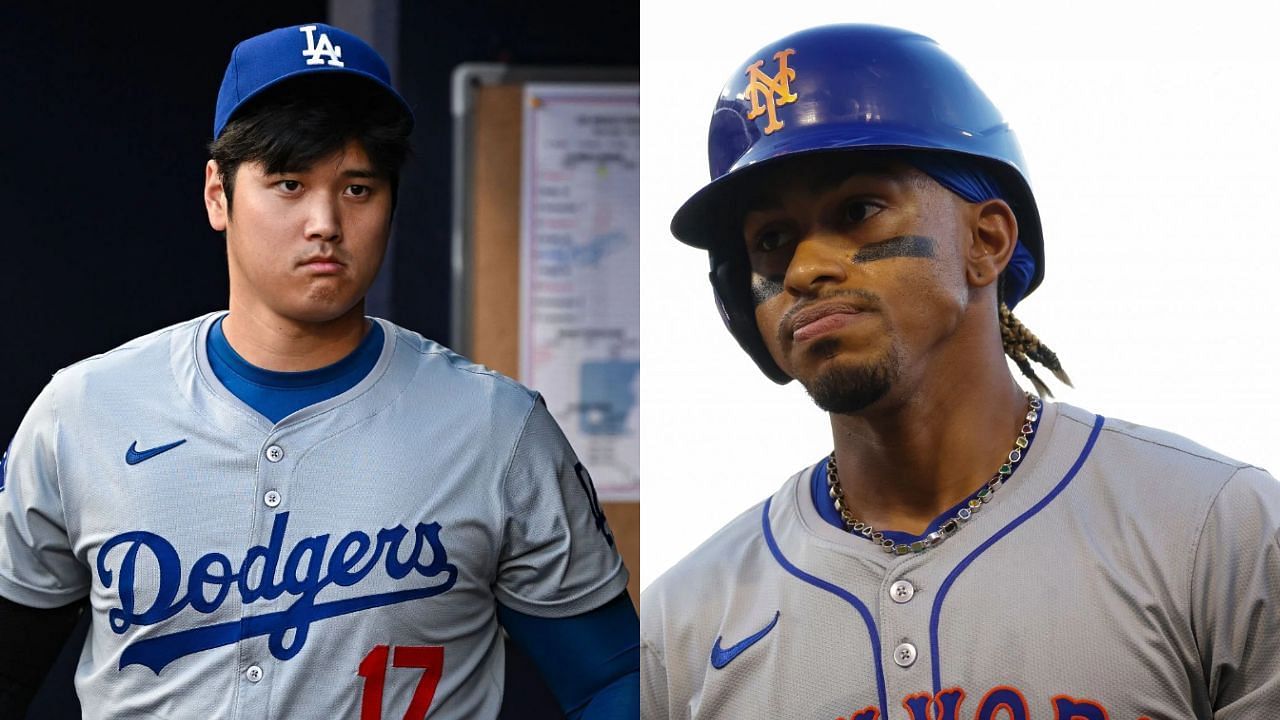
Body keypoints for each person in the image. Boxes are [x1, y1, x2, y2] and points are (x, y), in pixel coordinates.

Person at [640, 23, 1280, 719]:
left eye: (858, 210)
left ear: (987, 241)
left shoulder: (1216, 531)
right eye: (771, 240)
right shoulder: (682, 627)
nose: (803, 269)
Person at [0, 22, 638, 719]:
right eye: (288, 182)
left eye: (358, 187)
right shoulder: (84, 410)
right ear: (218, 194)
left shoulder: (496, 430)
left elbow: (611, 681)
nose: (325, 221)